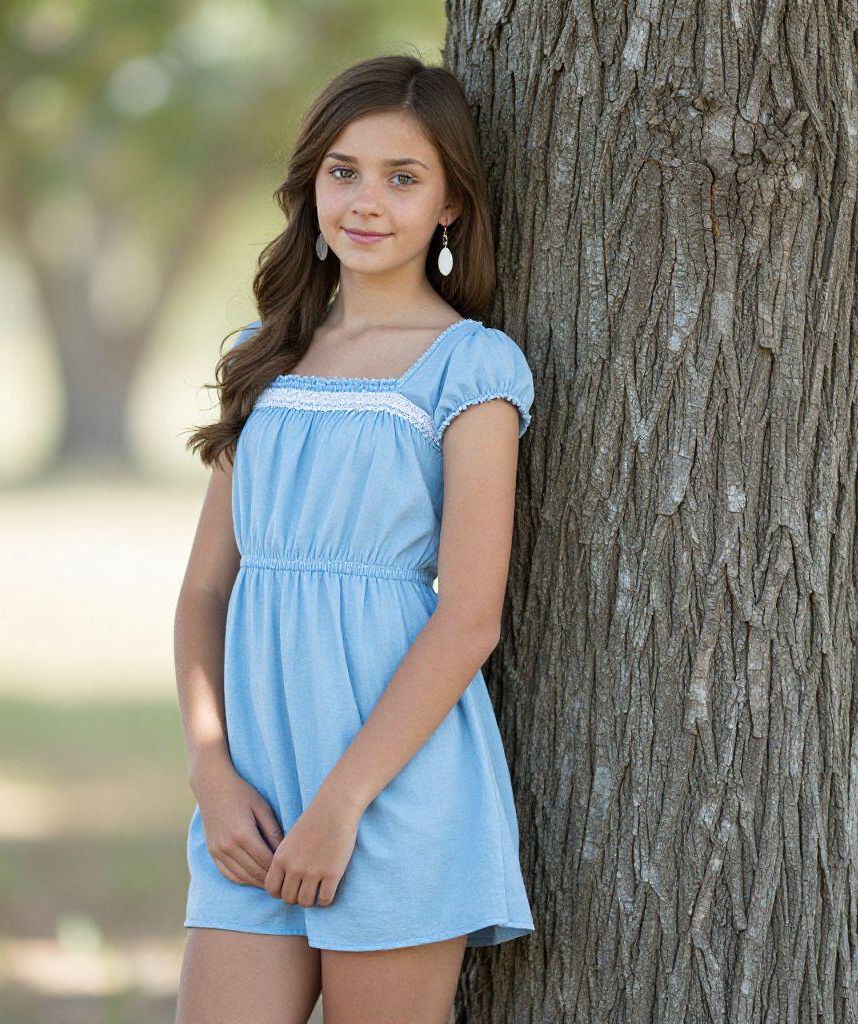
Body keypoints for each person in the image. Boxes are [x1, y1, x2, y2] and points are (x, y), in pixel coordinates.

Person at [173, 51, 536, 1024]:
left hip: (390, 795)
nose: (365, 200)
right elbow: (207, 589)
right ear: (310, 185)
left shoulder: (471, 367)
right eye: (343, 170)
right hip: (250, 797)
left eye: (402, 177)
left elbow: (468, 617)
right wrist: (211, 770)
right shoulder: (263, 357)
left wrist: (341, 806)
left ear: (450, 203)